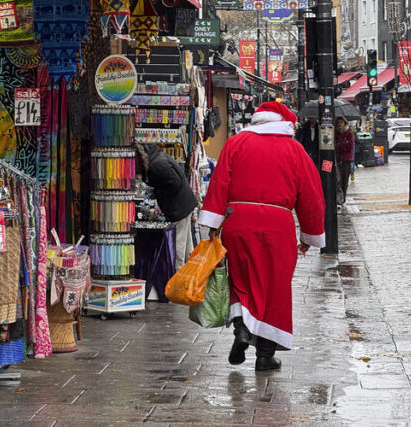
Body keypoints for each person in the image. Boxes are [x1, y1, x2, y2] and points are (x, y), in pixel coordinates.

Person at [197, 101, 325, 372]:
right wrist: (310, 235)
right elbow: (312, 196)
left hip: (238, 222)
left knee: (242, 280)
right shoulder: (295, 150)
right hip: (278, 227)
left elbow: (220, 182)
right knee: (275, 288)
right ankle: (265, 356)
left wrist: (213, 222)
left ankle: (242, 329)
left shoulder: (235, 143)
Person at [135, 143, 198, 271]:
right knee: (186, 243)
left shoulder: (157, 165)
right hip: (183, 203)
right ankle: (190, 272)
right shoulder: (157, 158)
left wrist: (156, 193)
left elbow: (174, 183)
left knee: (178, 243)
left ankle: (178, 273)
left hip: (178, 207)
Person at [335, 116, 354, 205]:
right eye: (338, 123)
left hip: (346, 160)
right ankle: (339, 199)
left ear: (345, 123)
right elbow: (334, 147)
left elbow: (350, 146)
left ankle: (343, 198)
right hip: (337, 160)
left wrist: (340, 145)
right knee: (338, 180)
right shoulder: (334, 134)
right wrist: (342, 145)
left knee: (344, 181)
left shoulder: (349, 134)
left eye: (341, 123)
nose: (339, 124)